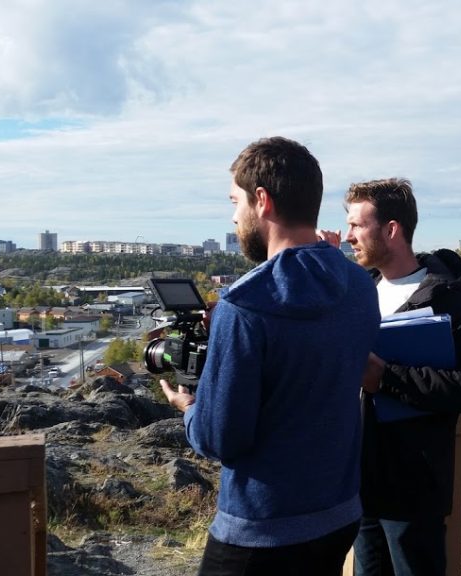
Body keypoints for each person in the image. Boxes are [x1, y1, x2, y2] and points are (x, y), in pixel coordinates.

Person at [160, 136, 380, 576]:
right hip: (338, 514)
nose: (234, 215)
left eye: (235, 202)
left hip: (260, 527)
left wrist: (189, 407)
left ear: (262, 200)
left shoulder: (244, 305)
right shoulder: (358, 286)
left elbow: (220, 439)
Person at [326, 177, 461, 576]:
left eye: (357, 225)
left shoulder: (443, 298)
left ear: (391, 230)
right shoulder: (361, 291)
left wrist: (386, 377)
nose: (348, 235)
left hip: (412, 492)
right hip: (360, 485)